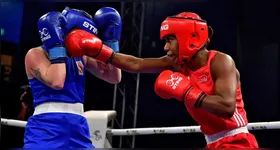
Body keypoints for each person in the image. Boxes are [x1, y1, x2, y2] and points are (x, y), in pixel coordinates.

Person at [65, 12, 258, 148]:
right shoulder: (177, 64)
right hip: (212, 142)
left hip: (237, 141)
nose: (165, 47)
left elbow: (227, 107)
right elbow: (136, 64)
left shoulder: (220, 61)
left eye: (169, 40)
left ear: (187, 36)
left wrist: (187, 91)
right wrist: (99, 51)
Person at [23, 7, 122, 148]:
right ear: (63, 31)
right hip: (47, 127)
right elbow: (57, 82)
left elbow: (114, 77)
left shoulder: (82, 56)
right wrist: (58, 45)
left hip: (78, 127)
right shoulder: (35, 54)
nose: (82, 40)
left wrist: (111, 41)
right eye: (80, 35)